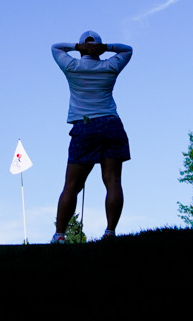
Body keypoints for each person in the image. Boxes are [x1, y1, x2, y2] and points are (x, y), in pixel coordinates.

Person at [50, 30, 132, 243]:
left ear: (82, 48)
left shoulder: (72, 67)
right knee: (113, 181)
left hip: (85, 126)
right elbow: (128, 50)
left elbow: (55, 47)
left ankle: (59, 235)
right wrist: (108, 48)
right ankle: (110, 232)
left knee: (71, 185)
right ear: (98, 47)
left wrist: (77, 47)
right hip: (111, 124)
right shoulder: (109, 66)